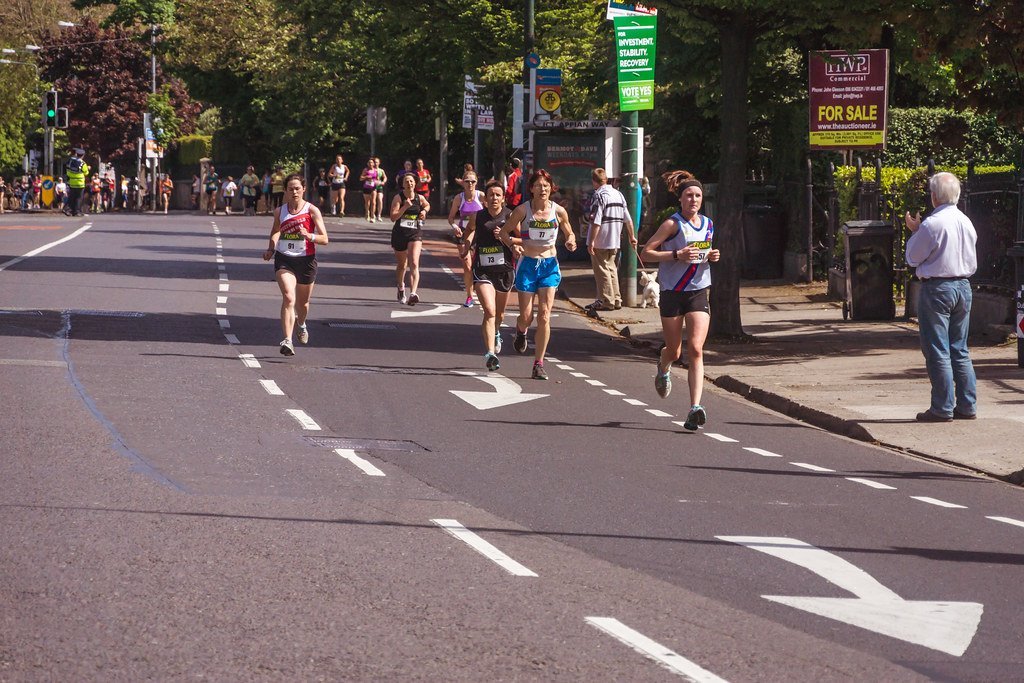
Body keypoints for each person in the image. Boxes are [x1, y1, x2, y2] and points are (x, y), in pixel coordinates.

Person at [641, 170, 721, 431]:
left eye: (698, 195)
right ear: (681, 199)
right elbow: (647, 253)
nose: (694, 200)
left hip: (699, 290)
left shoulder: (708, 224)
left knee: (696, 349)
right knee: (674, 350)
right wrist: (676, 254)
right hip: (673, 292)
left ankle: (695, 407)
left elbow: (705, 252)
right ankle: (663, 367)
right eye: (689, 195)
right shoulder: (672, 224)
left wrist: (712, 256)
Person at [904, 171, 978, 422]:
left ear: (934, 197)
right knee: (960, 349)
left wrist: (914, 231)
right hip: (963, 287)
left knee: (937, 350)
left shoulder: (932, 224)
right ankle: (967, 405)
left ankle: (942, 407)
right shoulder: (966, 221)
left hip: (937, 288)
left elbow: (913, 258)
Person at [499, 169, 577, 380]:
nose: (542, 189)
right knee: (527, 316)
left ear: (551, 188)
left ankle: (538, 363)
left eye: (546, 185)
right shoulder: (522, 211)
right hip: (527, 265)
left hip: (549, 265)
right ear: (531, 189)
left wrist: (571, 241)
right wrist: (514, 248)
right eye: (538, 185)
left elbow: (569, 231)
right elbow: (504, 233)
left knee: (544, 315)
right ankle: (521, 331)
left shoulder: (558, 211)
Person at [262, 174, 329, 356]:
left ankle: (301, 323)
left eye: (297, 188)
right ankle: (287, 340)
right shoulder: (280, 211)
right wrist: (271, 249)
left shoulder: (311, 210)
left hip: (306, 261)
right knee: (289, 298)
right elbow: (276, 231)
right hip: (285, 259)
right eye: (290, 189)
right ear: (285, 191)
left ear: (303, 189)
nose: (294, 192)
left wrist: (309, 236)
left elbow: (325, 238)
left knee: (303, 304)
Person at [463, 180, 516, 371]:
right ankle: (491, 354)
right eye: (491, 195)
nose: (494, 198)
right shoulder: (478, 216)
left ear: (503, 198)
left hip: (505, 270)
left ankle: (496, 333)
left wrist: (509, 240)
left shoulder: (510, 215)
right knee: (490, 311)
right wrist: (466, 245)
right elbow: (469, 231)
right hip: (483, 269)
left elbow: (521, 238)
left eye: (498, 195)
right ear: (486, 198)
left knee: (500, 314)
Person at [585, 168, 636, 312]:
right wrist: (632, 236)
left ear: (594, 181)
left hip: (601, 238)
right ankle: (617, 299)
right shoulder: (618, 194)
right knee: (611, 268)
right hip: (615, 238)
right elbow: (628, 220)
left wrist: (592, 241)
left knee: (602, 270)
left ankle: (607, 300)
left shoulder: (599, 196)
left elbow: (596, 221)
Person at [389, 172, 430, 306]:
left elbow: (427, 205)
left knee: (414, 262)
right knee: (402, 265)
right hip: (400, 234)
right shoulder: (398, 198)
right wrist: (405, 207)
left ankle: (413, 293)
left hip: (415, 233)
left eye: (411, 181)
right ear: (402, 184)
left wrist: (424, 211)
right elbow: (393, 217)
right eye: (406, 181)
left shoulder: (419, 198)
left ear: (415, 183)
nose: (409, 183)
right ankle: (401, 287)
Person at [447, 171, 484, 307]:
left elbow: (491, 211)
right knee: (467, 265)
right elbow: (451, 217)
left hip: (478, 233)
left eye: (473, 181)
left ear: (476, 183)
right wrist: (454, 226)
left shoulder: (481, 196)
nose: (470, 184)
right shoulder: (459, 198)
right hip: (462, 233)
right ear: (463, 182)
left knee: (479, 264)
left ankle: (480, 289)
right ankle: (469, 296)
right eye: (467, 181)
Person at [64, 149, 89, 217]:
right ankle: (77, 211)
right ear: (83, 155)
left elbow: (68, 171)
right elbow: (86, 173)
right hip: (80, 183)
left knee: (72, 196)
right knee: (79, 197)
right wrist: (88, 168)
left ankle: (68, 209)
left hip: (72, 182)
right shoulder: (83, 163)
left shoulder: (71, 162)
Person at [373, 157, 387, 222]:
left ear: (379, 163)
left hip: (379, 187)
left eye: (377, 162)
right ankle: (372, 214)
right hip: (372, 187)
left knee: (380, 199)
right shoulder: (371, 170)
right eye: (375, 162)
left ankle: (379, 215)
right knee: (373, 201)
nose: (376, 163)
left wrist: (383, 181)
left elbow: (385, 177)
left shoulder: (381, 170)